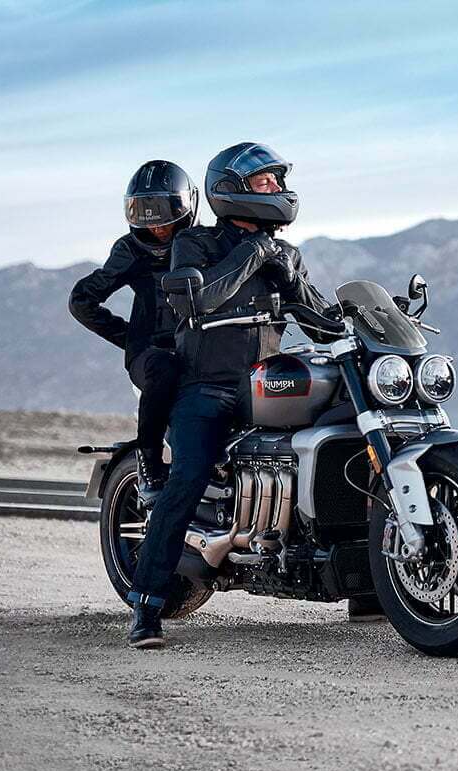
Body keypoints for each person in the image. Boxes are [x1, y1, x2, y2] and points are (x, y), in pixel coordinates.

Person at [126, 142, 338, 649]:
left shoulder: (285, 254)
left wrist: (364, 317)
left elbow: (323, 323)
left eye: (277, 182)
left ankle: (366, 584)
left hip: (265, 386)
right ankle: (147, 608)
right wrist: (252, 255)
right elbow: (199, 301)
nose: (277, 189)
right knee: (188, 479)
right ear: (234, 190)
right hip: (208, 388)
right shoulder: (195, 245)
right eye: (266, 182)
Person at [70, 160, 198, 506]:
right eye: (145, 212)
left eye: (163, 212)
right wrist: (133, 340)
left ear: (185, 205)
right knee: (163, 368)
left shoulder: (204, 244)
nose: (156, 224)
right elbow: (83, 301)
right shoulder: (130, 250)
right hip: (152, 357)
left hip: (203, 350)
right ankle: (150, 464)